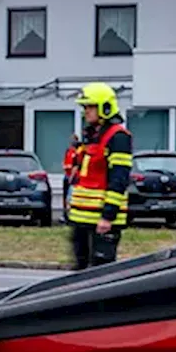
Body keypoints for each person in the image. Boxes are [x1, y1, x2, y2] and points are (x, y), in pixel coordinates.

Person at [67, 82, 132, 270]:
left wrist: (107, 216)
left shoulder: (118, 137)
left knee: (100, 271)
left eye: (90, 107)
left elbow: (119, 179)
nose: (86, 112)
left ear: (104, 107)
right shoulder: (92, 136)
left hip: (101, 220)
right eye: (85, 107)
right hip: (82, 218)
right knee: (79, 269)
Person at [61, 134, 81, 224]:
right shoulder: (68, 151)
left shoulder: (77, 152)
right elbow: (65, 162)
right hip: (67, 175)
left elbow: (75, 166)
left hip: (73, 177)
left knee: (71, 197)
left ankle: (71, 217)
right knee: (65, 197)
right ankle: (65, 215)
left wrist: (71, 177)